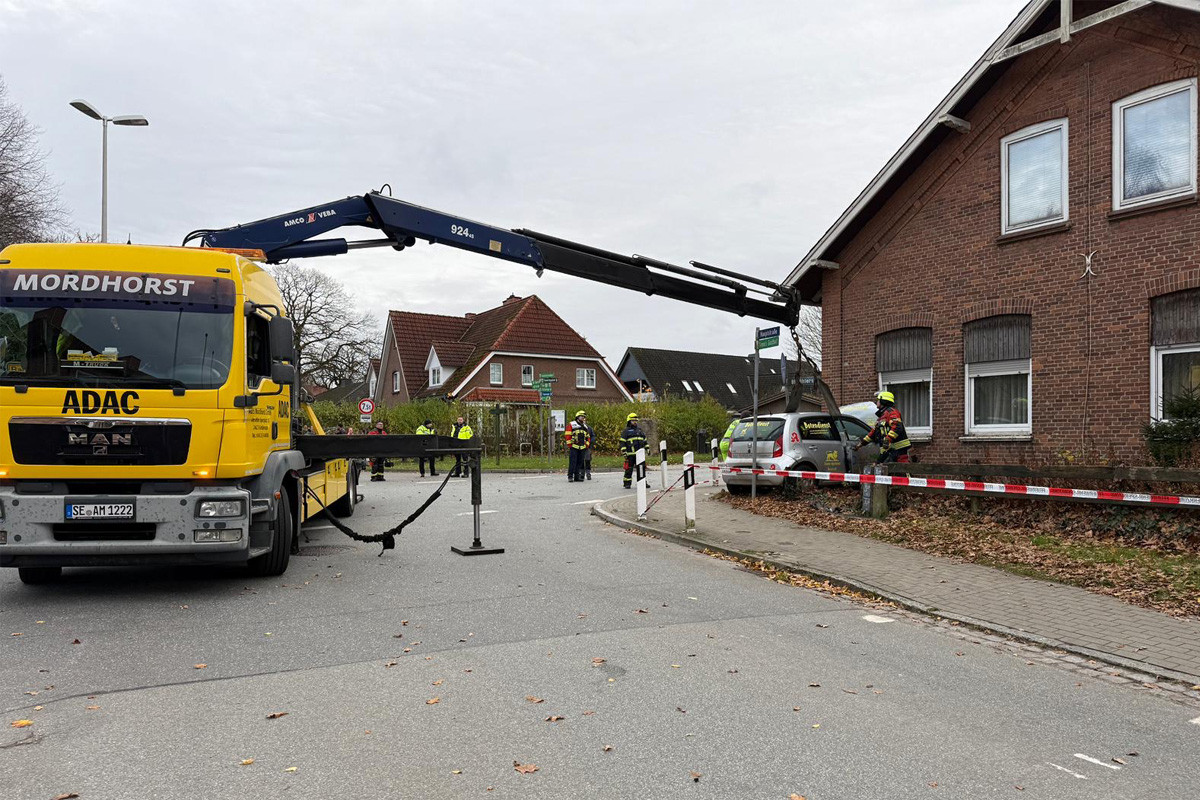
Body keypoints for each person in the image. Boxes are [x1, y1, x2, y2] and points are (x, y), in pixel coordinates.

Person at [854, 390, 912, 464]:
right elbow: (873, 433)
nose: (876, 402)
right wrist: (860, 444)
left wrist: (887, 440)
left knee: (901, 470)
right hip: (888, 451)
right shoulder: (881, 417)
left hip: (899, 451)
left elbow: (897, 426)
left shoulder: (892, 412)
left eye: (878, 400)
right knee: (881, 467)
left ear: (883, 401)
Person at [619, 412, 647, 489]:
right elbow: (622, 442)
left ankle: (643, 482)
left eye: (636, 421)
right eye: (633, 421)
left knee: (641, 468)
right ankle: (627, 483)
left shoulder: (640, 430)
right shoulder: (626, 431)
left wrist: (647, 448)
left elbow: (644, 440)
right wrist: (624, 451)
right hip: (630, 454)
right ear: (629, 421)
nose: (635, 422)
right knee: (629, 469)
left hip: (639, 454)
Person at [565, 410, 591, 482]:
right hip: (574, 447)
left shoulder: (585, 426)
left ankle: (577, 477)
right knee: (572, 462)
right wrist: (570, 445)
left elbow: (588, 437)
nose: (583, 418)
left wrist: (587, 445)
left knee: (579, 463)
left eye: (584, 417)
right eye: (582, 416)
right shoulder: (572, 424)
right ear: (577, 417)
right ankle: (570, 476)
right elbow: (567, 435)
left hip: (582, 448)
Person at [581, 412, 595, 480]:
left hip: (587, 447)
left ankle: (588, 472)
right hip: (580, 447)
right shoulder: (578, 428)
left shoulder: (589, 428)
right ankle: (581, 473)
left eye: (584, 420)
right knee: (581, 460)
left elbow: (593, 436)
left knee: (587, 460)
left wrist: (590, 442)